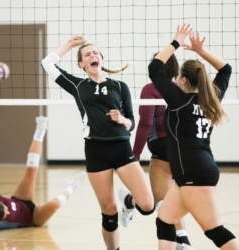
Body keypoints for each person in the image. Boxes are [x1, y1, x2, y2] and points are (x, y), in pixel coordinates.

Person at [41, 36, 154, 250]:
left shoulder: (120, 86)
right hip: (96, 150)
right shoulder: (77, 85)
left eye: (95, 53)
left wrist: (122, 120)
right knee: (108, 209)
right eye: (87, 54)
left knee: (147, 205)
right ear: (81, 64)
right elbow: (47, 63)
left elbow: (132, 123)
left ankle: (128, 202)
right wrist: (70, 45)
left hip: (121, 147)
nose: (93, 56)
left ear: (101, 58)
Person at [148, 24, 239, 250]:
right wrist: (200, 51)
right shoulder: (211, 99)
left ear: (184, 81)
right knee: (165, 221)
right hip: (192, 171)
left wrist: (176, 42)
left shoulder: (180, 101)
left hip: (194, 172)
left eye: (178, 76)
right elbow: (226, 70)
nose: (176, 79)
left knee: (214, 230)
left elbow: (155, 68)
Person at [0, 116, 86, 233]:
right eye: (6, 214)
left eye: (5, 208)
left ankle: (41, 128)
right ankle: (72, 186)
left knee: (32, 169)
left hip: (20, 199)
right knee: (54, 204)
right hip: (33, 218)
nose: (8, 211)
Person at [133, 54, 193, 250]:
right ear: (176, 71)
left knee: (160, 203)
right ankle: (183, 239)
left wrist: (135, 156)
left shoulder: (151, 89)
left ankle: (129, 200)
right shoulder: (183, 90)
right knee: (172, 197)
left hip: (161, 146)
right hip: (183, 148)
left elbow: (145, 123)